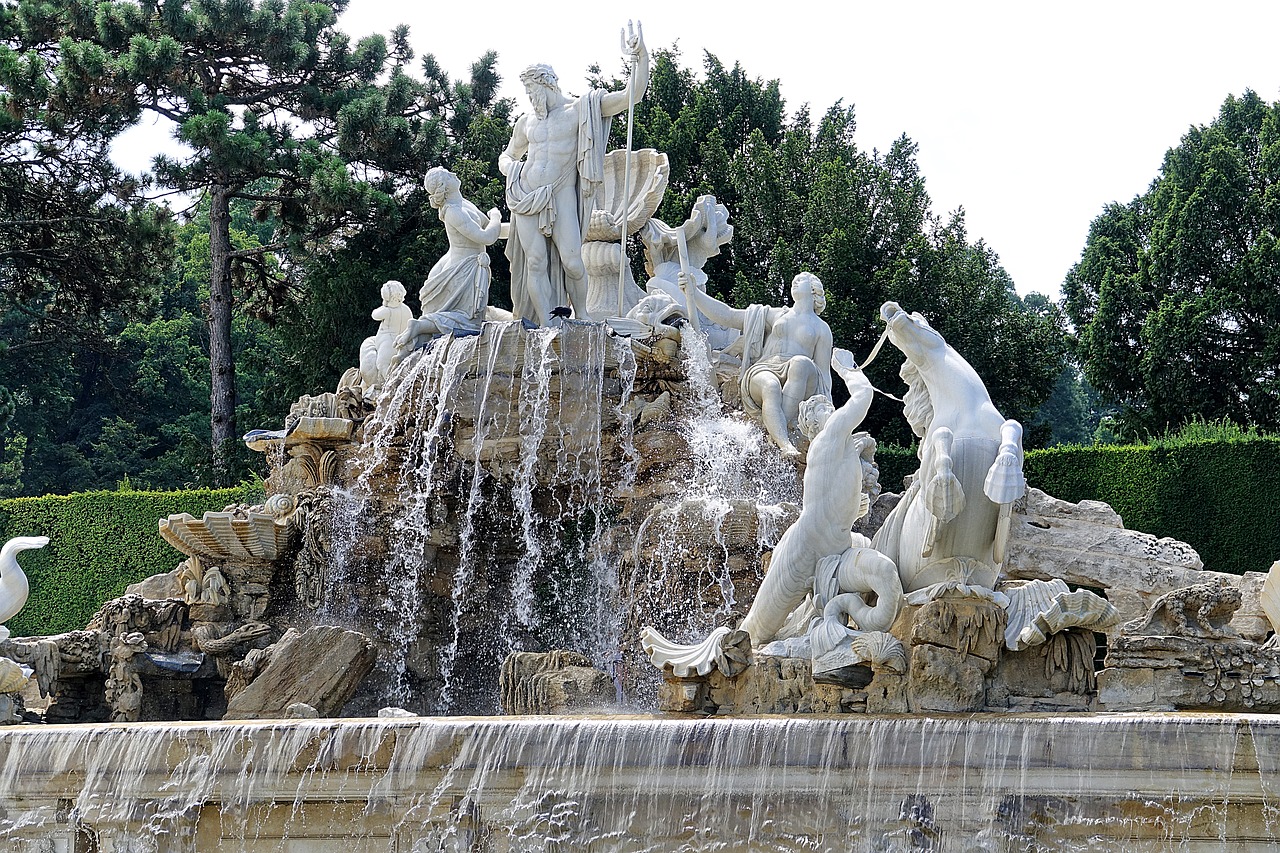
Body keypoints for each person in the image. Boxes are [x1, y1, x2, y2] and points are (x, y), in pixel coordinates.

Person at [499, 22, 649, 325]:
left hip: (561, 193)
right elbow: (507, 154)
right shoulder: (527, 122)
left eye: (531, 89)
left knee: (573, 262)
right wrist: (510, 168)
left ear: (548, 83)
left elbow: (630, 95)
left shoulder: (581, 109)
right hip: (524, 195)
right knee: (535, 262)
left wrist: (641, 56)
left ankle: (582, 315)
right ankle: (547, 323)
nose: (529, 96)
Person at [683, 271, 833, 456]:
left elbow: (824, 373)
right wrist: (694, 293)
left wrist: (829, 412)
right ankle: (783, 442)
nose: (794, 281)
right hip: (767, 367)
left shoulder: (821, 328)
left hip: (803, 377)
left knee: (800, 363)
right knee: (770, 386)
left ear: (813, 289)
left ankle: (778, 431)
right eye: (793, 279)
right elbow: (728, 315)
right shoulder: (774, 314)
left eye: (800, 280)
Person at [393, 167, 503, 359]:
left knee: (471, 321)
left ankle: (421, 326)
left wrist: (522, 229)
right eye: (447, 174)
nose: (453, 174)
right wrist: (497, 216)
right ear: (444, 185)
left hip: (468, 265)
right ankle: (419, 326)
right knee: (469, 323)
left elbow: (494, 230)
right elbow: (486, 237)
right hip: (462, 271)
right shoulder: (454, 212)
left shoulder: (463, 203)